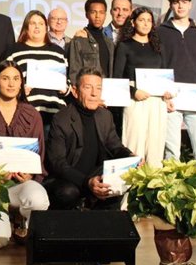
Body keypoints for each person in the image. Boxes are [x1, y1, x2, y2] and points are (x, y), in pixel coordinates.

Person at [0, 60, 49, 239]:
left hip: (22, 185)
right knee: (1, 238)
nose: (11, 83)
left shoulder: (32, 114)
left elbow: (39, 156)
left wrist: (30, 176)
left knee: (38, 199)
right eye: (5, 78)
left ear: (21, 83)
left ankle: (22, 219)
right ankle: (4, 219)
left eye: (16, 78)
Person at [45, 67, 135, 210]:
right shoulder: (61, 118)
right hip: (70, 177)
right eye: (88, 88)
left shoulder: (105, 116)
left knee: (114, 184)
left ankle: (108, 227)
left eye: (98, 88)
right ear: (75, 91)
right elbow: (57, 162)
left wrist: (131, 156)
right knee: (68, 192)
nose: (94, 93)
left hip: (96, 174)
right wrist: (87, 182)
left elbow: (115, 147)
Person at [159, 0, 196, 174]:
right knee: (171, 152)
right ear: (171, 5)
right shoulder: (159, 32)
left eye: (184, 1)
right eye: (176, 2)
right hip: (171, 98)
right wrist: (163, 96)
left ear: (190, 4)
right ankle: (169, 199)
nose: (180, 5)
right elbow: (159, 66)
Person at [113, 7, 171, 168]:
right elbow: (117, 77)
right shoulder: (125, 46)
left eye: (149, 20)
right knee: (134, 142)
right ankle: (130, 190)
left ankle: (153, 188)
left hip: (157, 101)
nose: (145, 24)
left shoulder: (158, 46)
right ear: (133, 22)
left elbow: (165, 74)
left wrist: (167, 92)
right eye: (141, 20)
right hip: (135, 99)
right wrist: (134, 92)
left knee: (155, 144)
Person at [4, 10, 68, 134]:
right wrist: (19, 90)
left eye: (41, 23)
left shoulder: (58, 52)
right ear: (26, 27)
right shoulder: (14, 50)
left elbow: (69, 82)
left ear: (46, 27)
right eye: (33, 23)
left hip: (55, 114)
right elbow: (4, 79)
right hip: (25, 113)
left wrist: (65, 88)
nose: (37, 26)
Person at [67, 0, 114, 85]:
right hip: (87, 90)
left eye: (101, 12)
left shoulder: (110, 43)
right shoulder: (78, 40)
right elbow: (74, 71)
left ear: (105, 15)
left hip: (108, 91)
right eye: (93, 12)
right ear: (86, 14)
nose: (97, 16)